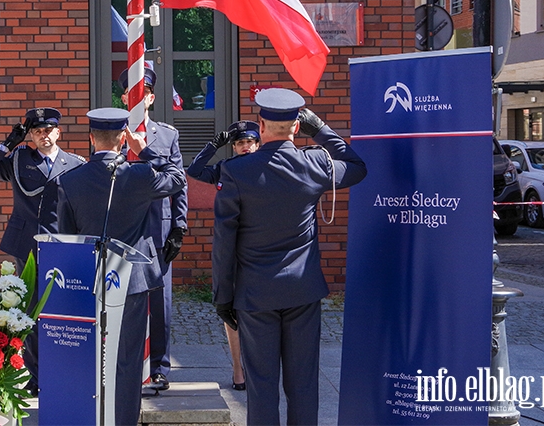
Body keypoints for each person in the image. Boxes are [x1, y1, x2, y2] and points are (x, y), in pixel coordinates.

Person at [212, 89, 367, 425]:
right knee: (303, 385)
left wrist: (223, 296)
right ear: (297, 127)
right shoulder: (314, 162)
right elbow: (357, 167)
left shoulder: (237, 171)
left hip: (255, 293)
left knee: (262, 387)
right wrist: (321, 128)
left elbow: (224, 241)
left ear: (262, 124)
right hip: (302, 291)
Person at [56, 107, 186, 426]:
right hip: (131, 280)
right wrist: (147, 150)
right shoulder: (139, 174)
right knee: (127, 360)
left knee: (90, 356)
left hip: (89, 278)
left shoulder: (69, 181)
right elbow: (177, 179)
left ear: (91, 138)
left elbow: (66, 237)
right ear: (123, 139)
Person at [0, 107, 84, 395]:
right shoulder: (19, 160)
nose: (43, 135)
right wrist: (9, 143)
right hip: (29, 246)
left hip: (63, 245)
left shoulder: (75, 164)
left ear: (59, 132)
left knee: (62, 310)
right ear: (30, 135)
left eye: (48, 130)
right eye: (37, 131)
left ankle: (65, 368)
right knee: (32, 311)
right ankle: (36, 374)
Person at [118, 66, 187, 391]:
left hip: (158, 231)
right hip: (123, 232)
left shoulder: (167, 134)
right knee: (121, 300)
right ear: (124, 97)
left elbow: (179, 185)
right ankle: (124, 363)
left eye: (143, 93)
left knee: (160, 304)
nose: (138, 98)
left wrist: (179, 226)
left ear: (151, 97)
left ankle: (159, 366)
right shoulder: (111, 132)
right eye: (132, 94)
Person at [185, 119, 261, 391]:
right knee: (231, 311)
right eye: (239, 143)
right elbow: (195, 170)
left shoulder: (266, 166)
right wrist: (214, 145)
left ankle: (259, 369)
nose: (244, 147)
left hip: (260, 249)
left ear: (257, 143)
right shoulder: (225, 168)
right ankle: (238, 370)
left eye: (249, 142)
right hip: (232, 250)